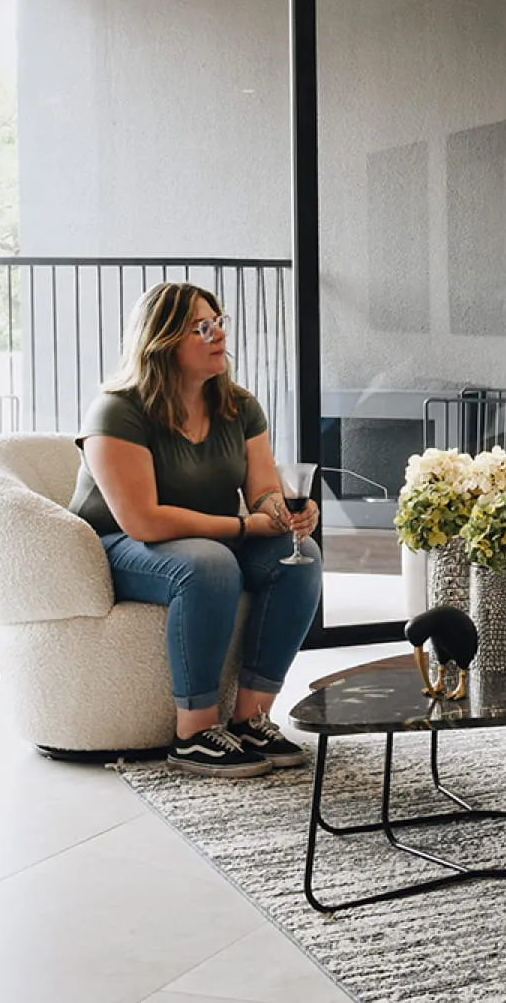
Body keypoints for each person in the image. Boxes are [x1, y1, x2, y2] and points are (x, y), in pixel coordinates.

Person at [70, 282, 322, 779]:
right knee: (210, 564)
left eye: (220, 322)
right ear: (162, 340)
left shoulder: (239, 406)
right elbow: (142, 519)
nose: (218, 336)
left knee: (301, 557)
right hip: (121, 546)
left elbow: (263, 491)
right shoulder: (117, 410)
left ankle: (252, 718)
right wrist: (242, 526)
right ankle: (194, 732)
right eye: (202, 328)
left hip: (211, 538)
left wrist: (284, 514)